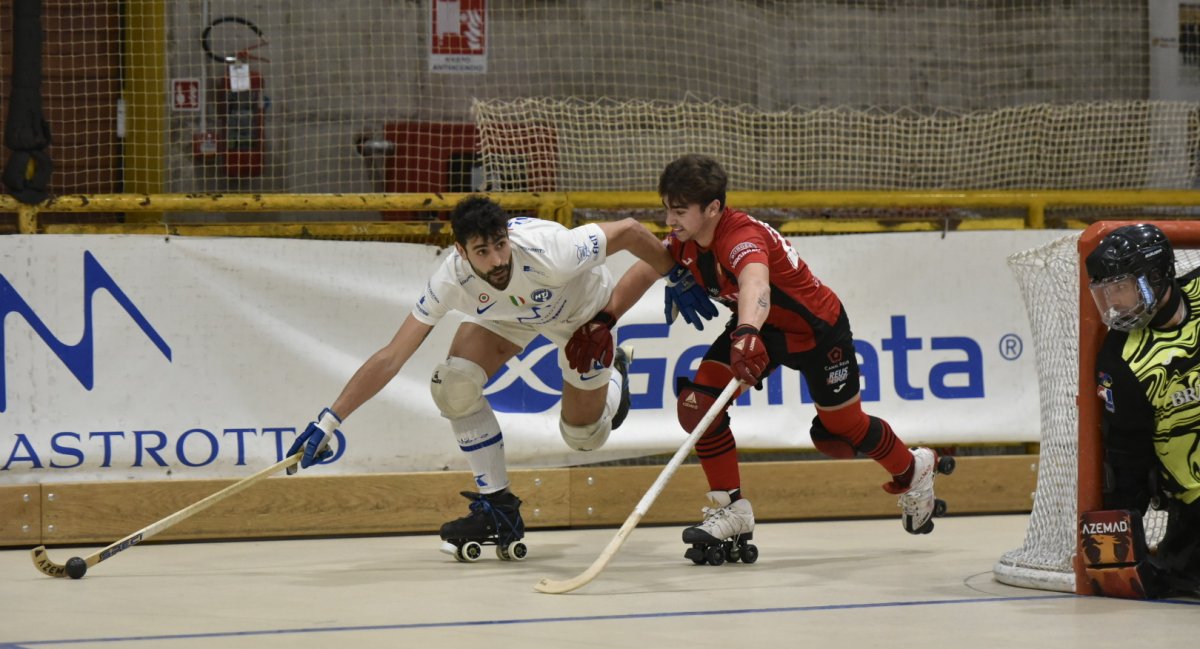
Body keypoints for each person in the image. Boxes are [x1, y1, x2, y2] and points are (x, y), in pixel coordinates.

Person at [286, 195, 706, 561]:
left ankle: (616, 375)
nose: (498, 260)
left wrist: (675, 274)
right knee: (453, 386)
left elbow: (630, 230)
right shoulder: (451, 279)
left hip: (581, 315)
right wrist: (330, 420)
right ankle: (498, 506)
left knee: (584, 436)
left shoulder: (551, 251)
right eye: (482, 252)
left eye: (501, 245)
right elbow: (392, 356)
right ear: (461, 252)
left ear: (509, 237)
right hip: (509, 318)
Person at [591, 154, 953, 563]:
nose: (669, 220)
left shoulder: (740, 236)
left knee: (841, 428)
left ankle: (914, 469)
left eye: (678, 211)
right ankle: (731, 509)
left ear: (712, 208)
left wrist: (746, 331)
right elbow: (646, 269)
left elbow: (756, 284)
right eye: (666, 209)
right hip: (761, 331)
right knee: (697, 405)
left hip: (816, 331)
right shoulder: (685, 240)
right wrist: (604, 320)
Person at [1086, 222, 1200, 597]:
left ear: (1156, 276)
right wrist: (1120, 551)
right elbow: (1127, 457)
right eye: (1106, 293)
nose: (1114, 304)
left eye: (1121, 288)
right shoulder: (1121, 359)